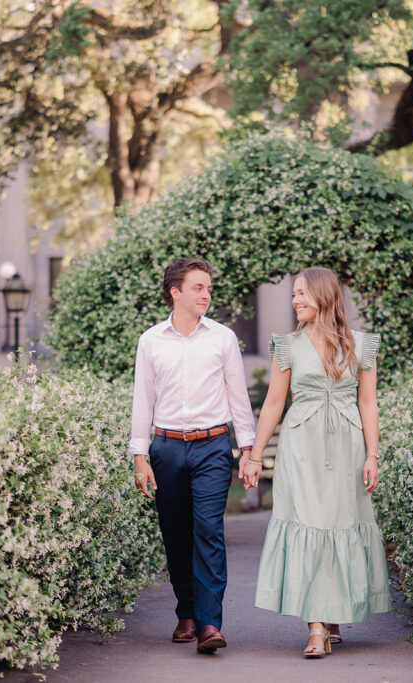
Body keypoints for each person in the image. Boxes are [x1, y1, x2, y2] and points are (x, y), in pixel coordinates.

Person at [240, 267, 390, 658]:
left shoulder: (360, 345)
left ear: (324, 295)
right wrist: (255, 456)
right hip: (300, 446)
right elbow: (274, 402)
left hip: (347, 446)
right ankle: (316, 627)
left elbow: (368, 402)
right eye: (293, 295)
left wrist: (373, 455)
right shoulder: (286, 345)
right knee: (308, 523)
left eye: (302, 294)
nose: (295, 301)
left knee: (341, 522)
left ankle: (334, 613)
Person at [131, 257, 257, 654]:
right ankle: (185, 612)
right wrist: (140, 455)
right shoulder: (151, 340)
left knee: (208, 530)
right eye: (198, 288)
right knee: (175, 531)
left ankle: (207, 623)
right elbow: (142, 400)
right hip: (166, 447)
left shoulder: (222, 338)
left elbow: (238, 396)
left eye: (208, 288)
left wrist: (248, 450)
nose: (206, 294)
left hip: (212, 446)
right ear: (176, 292)